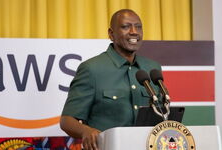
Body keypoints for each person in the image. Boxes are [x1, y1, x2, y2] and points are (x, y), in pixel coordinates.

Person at [60, 9, 161, 150]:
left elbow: (163, 114)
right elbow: (67, 121)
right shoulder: (92, 69)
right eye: (126, 27)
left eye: (138, 27)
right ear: (111, 34)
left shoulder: (152, 68)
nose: (134, 31)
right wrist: (86, 131)